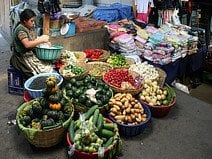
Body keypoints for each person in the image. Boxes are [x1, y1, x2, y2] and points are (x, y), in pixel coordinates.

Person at [10, 8, 53, 79]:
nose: (33, 23)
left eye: (33, 21)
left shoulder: (28, 27)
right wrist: (41, 40)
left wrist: (44, 42)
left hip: (29, 54)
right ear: (25, 21)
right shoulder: (21, 30)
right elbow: (27, 45)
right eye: (31, 21)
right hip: (21, 58)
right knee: (36, 74)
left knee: (48, 65)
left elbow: (33, 40)